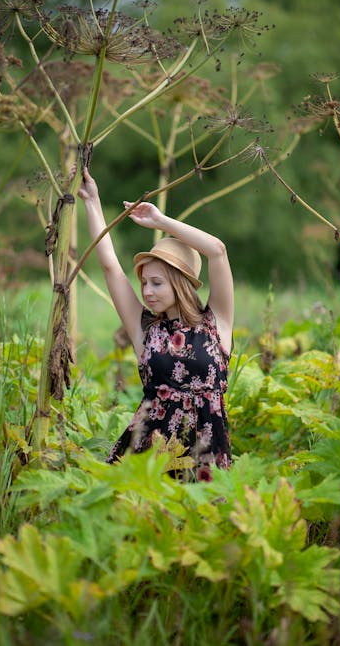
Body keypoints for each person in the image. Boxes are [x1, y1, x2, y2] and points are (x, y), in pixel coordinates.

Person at [74, 165, 234, 480]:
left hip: (207, 459)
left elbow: (217, 251)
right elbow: (109, 266)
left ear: (181, 282)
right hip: (149, 459)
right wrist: (92, 201)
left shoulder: (217, 324)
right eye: (144, 283)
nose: (146, 291)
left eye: (157, 283)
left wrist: (160, 221)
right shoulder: (146, 330)